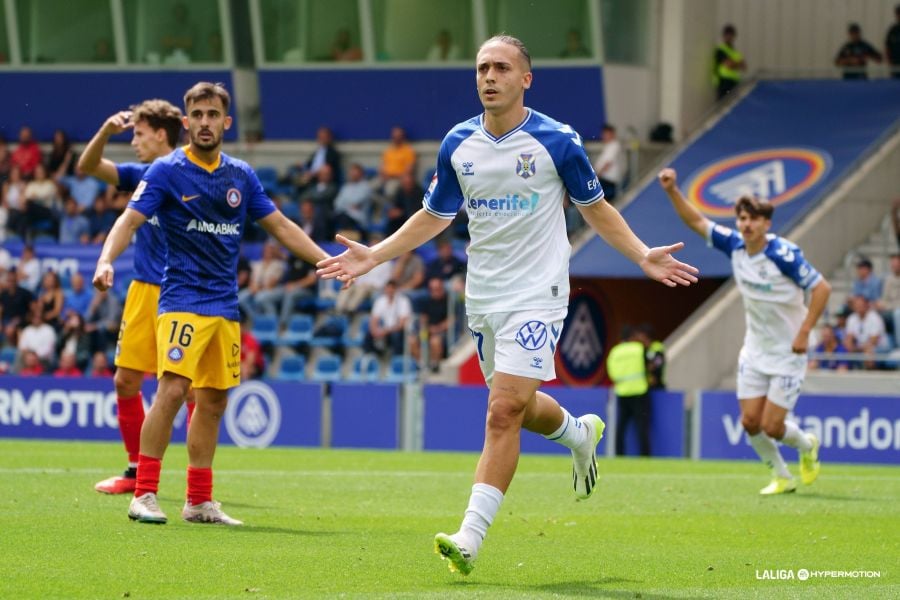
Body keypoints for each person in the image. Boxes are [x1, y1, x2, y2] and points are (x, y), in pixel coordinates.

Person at [317, 35, 698, 575]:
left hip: (538, 294)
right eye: (481, 68)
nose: (488, 77)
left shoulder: (557, 140)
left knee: (501, 412)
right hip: (485, 296)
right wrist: (375, 256)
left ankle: (469, 537)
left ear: (525, 79)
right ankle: (578, 431)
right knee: (517, 405)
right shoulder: (457, 143)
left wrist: (641, 254)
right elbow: (435, 215)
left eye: (500, 67)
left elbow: (595, 207)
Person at [93, 81, 330, 526]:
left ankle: (198, 500)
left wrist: (326, 261)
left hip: (224, 306)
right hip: (181, 299)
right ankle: (144, 492)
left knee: (214, 402)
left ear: (226, 121)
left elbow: (279, 225)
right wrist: (106, 260)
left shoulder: (241, 175)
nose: (204, 122)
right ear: (185, 123)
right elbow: (128, 220)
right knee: (172, 390)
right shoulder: (165, 170)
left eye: (212, 114)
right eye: (196, 115)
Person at [658, 167, 829, 495]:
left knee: (773, 426)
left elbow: (822, 289)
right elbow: (696, 222)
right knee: (750, 423)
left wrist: (805, 332)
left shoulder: (784, 256)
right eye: (742, 218)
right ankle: (781, 476)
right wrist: (672, 190)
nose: (746, 225)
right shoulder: (734, 245)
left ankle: (807, 446)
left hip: (788, 352)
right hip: (755, 350)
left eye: (754, 219)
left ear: (767, 223)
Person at [78, 100, 184, 495]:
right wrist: (107, 130)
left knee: (183, 388)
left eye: (139, 134)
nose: (134, 142)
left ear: (161, 134)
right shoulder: (142, 175)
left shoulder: (190, 174)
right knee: (125, 380)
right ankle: (134, 469)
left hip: (182, 292)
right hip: (142, 290)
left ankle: (197, 481)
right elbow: (88, 167)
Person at [606, 325, 651, 457]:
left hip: (622, 392)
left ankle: (619, 454)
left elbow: (612, 373)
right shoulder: (638, 349)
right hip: (639, 391)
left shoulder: (615, 352)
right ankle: (645, 455)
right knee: (642, 427)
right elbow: (648, 366)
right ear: (632, 337)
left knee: (621, 427)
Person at [844, 295, 890, 370]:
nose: (858, 307)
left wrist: (856, 348)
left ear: (867, 305)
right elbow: (849, 339)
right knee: (844, 349)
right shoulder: (851, 318)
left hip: (880, 348)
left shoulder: (875, 318)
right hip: (861, 348)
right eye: (856, 305)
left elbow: (873, 341)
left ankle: (871, 375)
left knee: (868, 352)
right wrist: (850, 346)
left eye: (860, 305)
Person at [592, 125, 626, 203]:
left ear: (612, 134)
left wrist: (596, 177)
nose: (604, 136)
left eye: (606, 134)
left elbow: (607, 164)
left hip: (607, 181)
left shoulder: (614, 145)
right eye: (603, 134)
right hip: (604, 180)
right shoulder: (608, 146)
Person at [713, 24, 745, 100]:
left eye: (731, 35)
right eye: (727, 35)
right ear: (723, 36)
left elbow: (744, 66)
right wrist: (737, 64)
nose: (729, 37)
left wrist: (733, 64)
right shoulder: (720, 50)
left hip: (734, 82)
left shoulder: (735, 52)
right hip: (724, 82)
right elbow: (729, 65)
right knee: (723, 105)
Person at [889, 5, 900, 79]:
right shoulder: (893, 30)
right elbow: (887, 46)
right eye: (898, 14)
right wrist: (890, 63)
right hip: (895, 65)